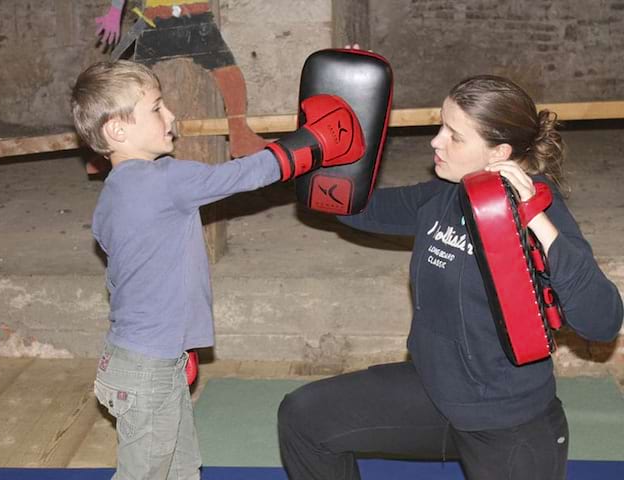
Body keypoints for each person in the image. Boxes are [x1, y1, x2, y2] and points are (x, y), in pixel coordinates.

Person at [277, 75, 624, 480]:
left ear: (500, 153)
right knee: (305, 419)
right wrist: (349, 113)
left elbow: (603, 321)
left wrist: (538, 223)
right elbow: (349, 206)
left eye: (454, 136)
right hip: (433, 393)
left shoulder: (542, 213)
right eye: (441, 126)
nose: (435, 142)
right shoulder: (443, 196)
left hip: (507, 422)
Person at [70, 59, 364, 480]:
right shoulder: (163, 180)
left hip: (138, 357)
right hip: (147, 368)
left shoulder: (113, 195)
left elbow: (132, 281)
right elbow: (245, 173)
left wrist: (179, 344)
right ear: (117, 130)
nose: (171, 116)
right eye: (156, 108)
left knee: (182, 468)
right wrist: (314, 143)